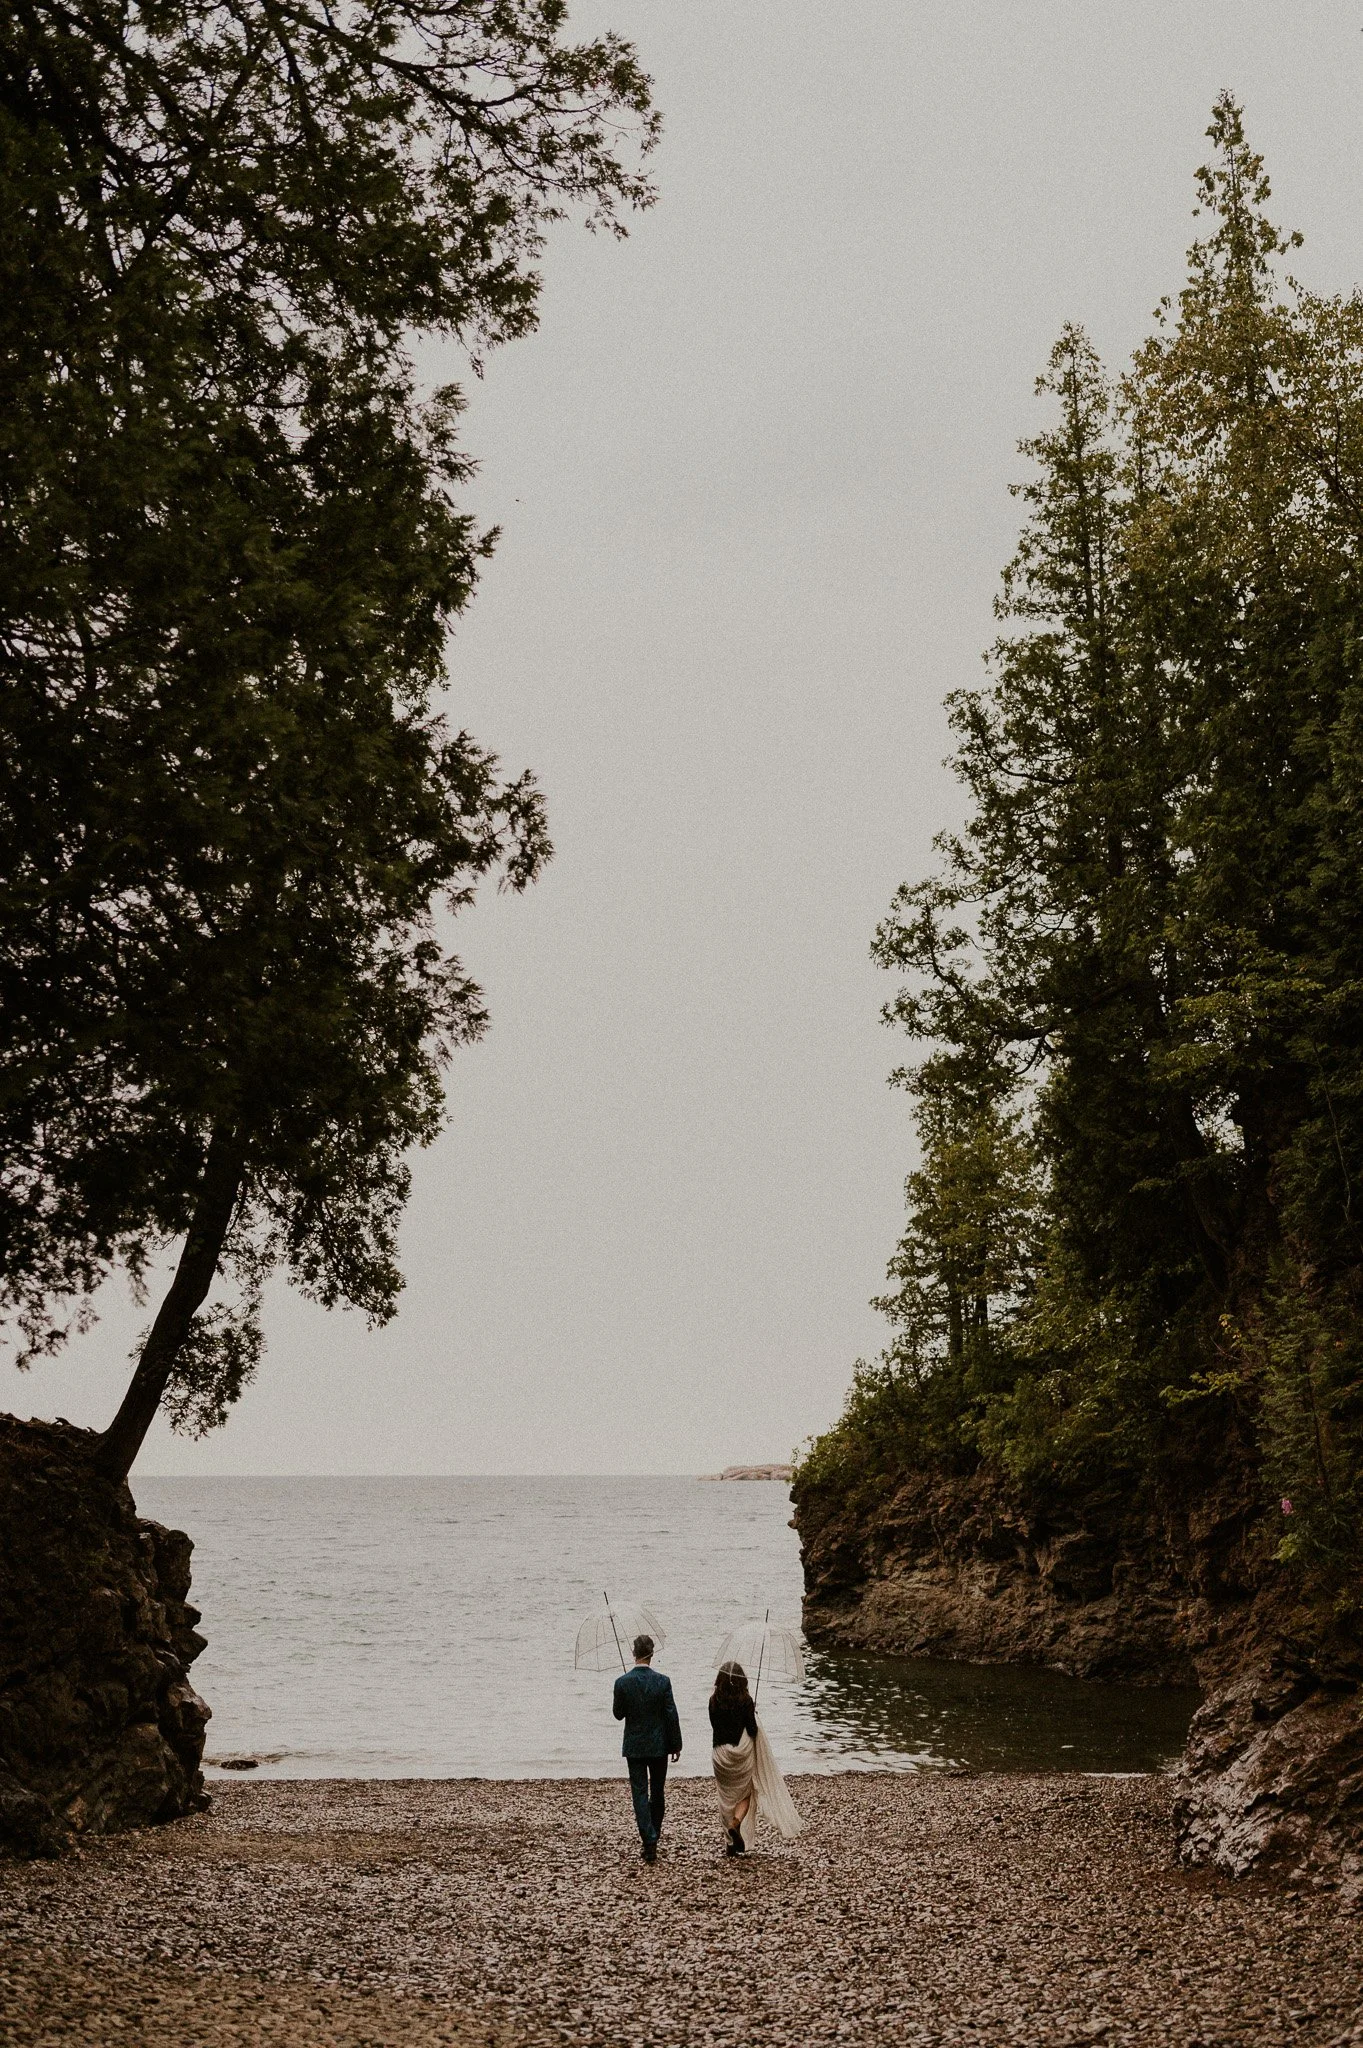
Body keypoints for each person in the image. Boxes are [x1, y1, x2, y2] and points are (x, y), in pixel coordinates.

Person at [708, 1659, 802, 1856]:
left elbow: (715, 1726)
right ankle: (736, 1823)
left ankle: (729, 1843)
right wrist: (752, 1713)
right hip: (740, 1755)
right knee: (746, 1793)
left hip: (720, 1755)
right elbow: (751, 1730)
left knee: (725, 1797)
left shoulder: (713, 1700)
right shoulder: (746, 1701)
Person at [612, 1633, 682, 1863]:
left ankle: (649, 1839)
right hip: (659, 1745)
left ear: (634, 1654)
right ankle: (654, 1834)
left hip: (635, 1746)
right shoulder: (663, 1681)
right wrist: (676, 1744)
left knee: (639, 1792)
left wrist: (624, 1693)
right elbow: (671, 1714)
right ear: (651, 1654)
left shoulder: (622, 1682)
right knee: (658, 1791)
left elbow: (618, 1714)